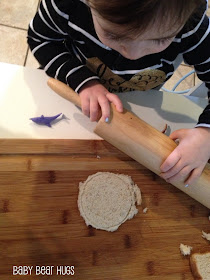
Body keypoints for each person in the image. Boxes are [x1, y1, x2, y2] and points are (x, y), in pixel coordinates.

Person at [27, 0, 210, 187]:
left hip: (140, 98)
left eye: (159, 40)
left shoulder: (192, 25)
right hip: (71, 83)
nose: (133, 54)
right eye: (113, 34)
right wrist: (83, 82)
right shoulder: (66, 5)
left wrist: (205, 134)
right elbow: (41, 40)